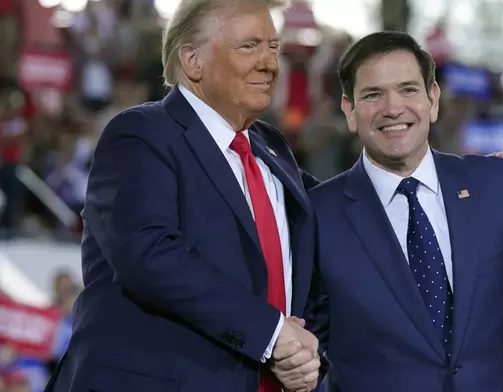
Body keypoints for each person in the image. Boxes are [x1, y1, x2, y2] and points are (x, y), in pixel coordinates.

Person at [297, 31, 503, 391]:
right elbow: (305, 352)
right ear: (349, 110)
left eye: (408, 89)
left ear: (433, 99)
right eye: (373, 94)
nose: (393, 108)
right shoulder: (318, 214)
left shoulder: (497, 187)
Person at [45, 0, 321, 391]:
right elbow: (149, 254)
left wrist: (309, 358)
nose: (269, 62)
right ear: (193, 61)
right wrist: (272, 333)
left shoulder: (273, 150)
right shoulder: (141, 133)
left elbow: (317, 261)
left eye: (273, 47)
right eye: (249, 46)